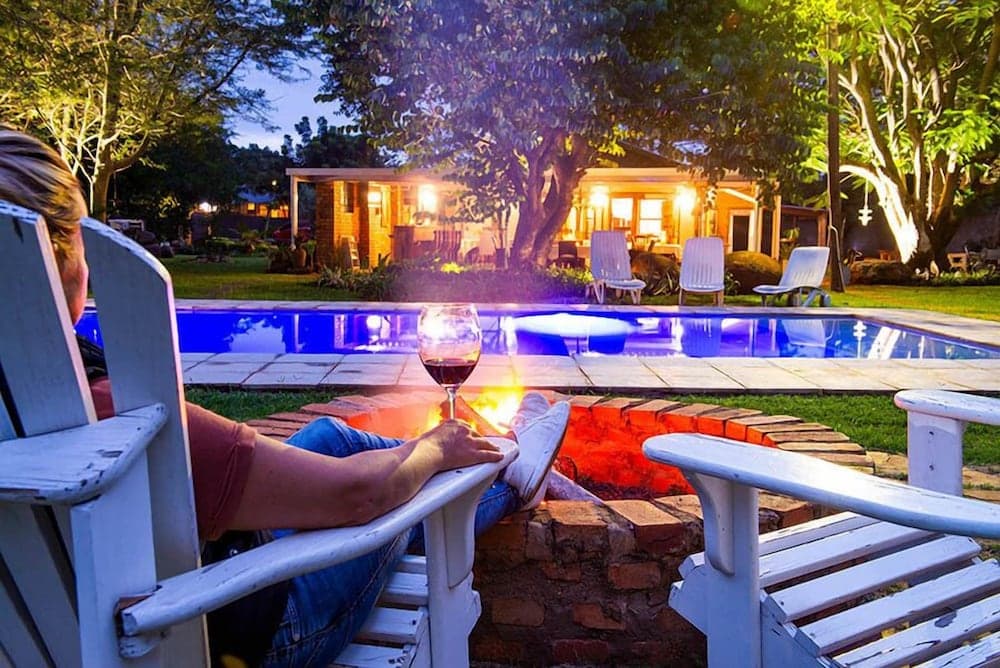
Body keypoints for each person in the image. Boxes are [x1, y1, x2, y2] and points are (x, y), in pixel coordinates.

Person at [0, 128, 570, 667]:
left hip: (162, 583)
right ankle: (513, 468)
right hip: (240, 621)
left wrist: (413, 453)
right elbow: (359, 497)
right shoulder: (113, 414)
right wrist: (432, 450)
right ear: (58, 261)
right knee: (405, 501)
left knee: (332, 436)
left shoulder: (25, 411)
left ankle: (487, 456)